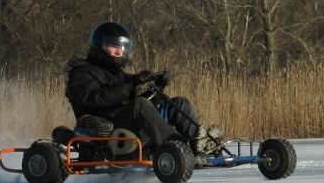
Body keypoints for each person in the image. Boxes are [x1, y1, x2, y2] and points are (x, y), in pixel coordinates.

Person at [65, 21, 219, 155]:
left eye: (122, 48)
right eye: (114, 46)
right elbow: (95, 100)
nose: (119, 52)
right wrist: (132, 84)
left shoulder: (117, 74)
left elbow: (132, 90)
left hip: (129, 126)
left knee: (178, 103)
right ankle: (180, 147)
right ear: (100, 45)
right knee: (140, 105)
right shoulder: (81, 72)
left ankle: (199, 144)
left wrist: (157, 85)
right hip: (110, 133)